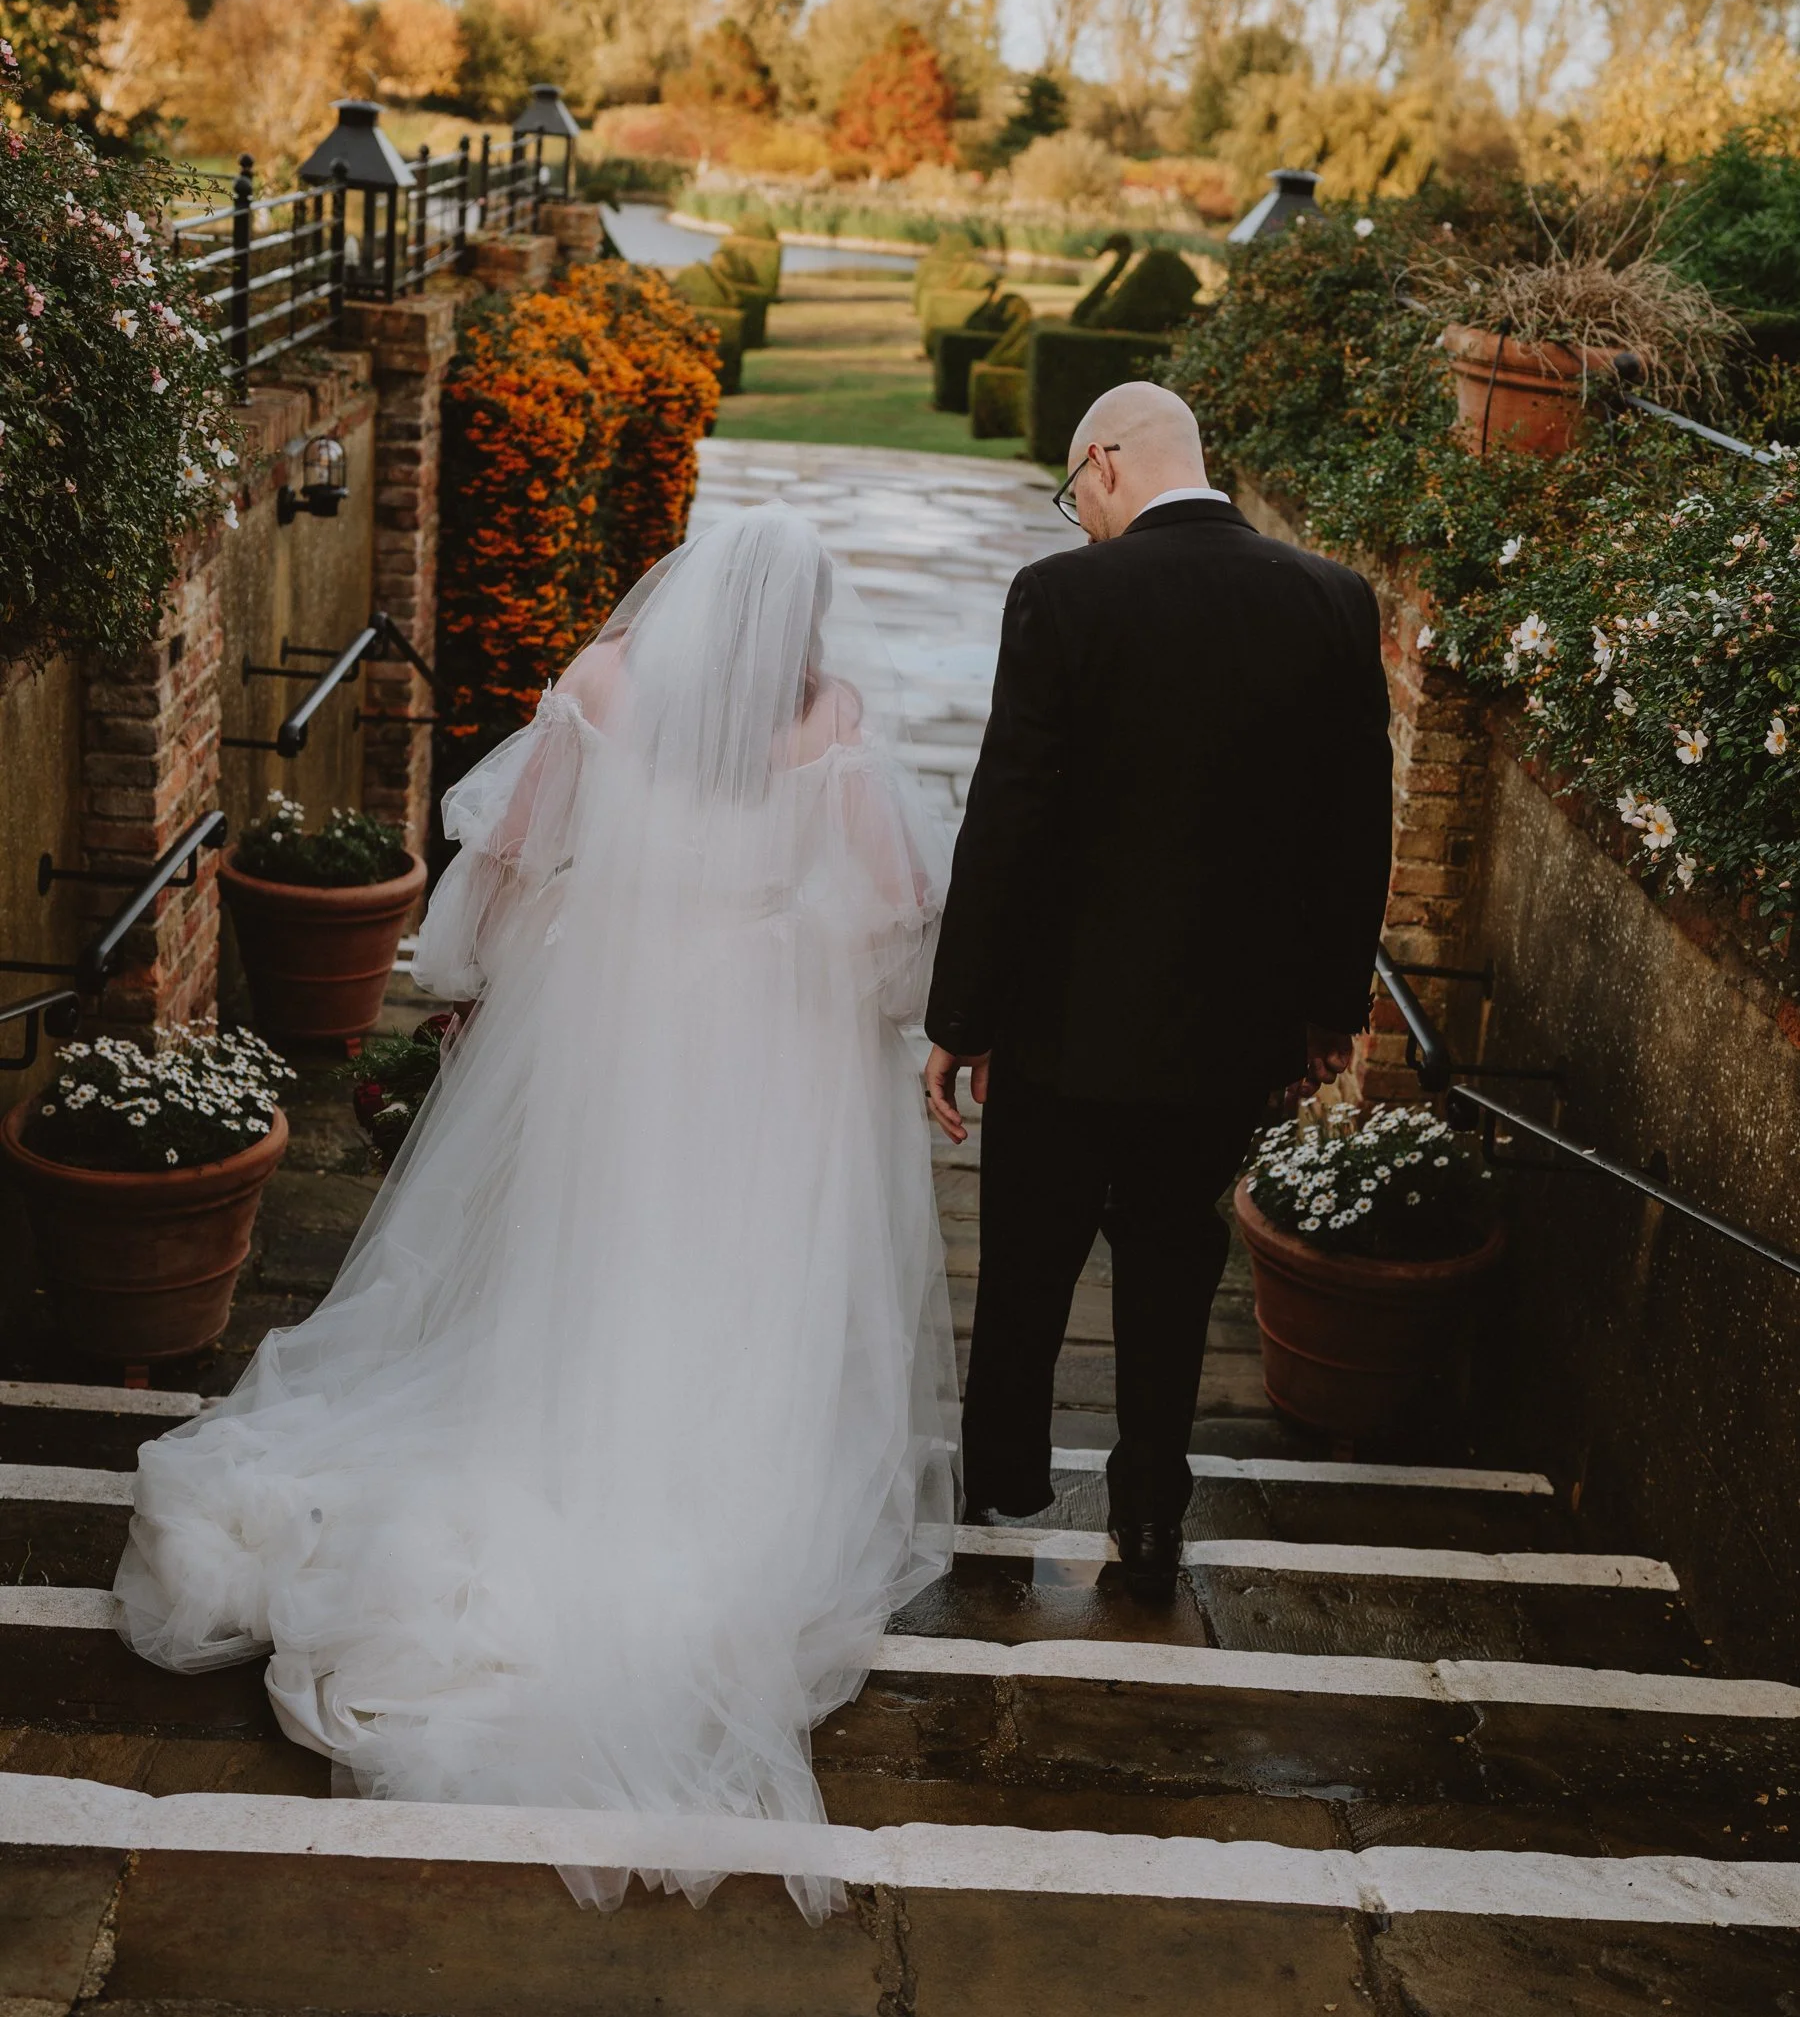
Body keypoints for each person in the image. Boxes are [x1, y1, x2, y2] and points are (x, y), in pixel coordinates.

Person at [114, 503, 957, 1922]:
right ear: (804, 614)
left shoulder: (609, 683)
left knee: (591, 1243)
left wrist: (486, 975)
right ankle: (697, 1453)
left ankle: (565, 1422)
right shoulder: (830, 719)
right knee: (731, 1264)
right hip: (757, 1041)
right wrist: (810, 953)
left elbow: (505, 850)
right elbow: (894, 900)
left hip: (614, 1020)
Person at [924, 381, 1393, 1600]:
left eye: (1073, 490)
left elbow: (1010, 815)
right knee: (1176, 1265)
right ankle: (1146, 1509)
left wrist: (958, 1018)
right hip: (1226, 1035)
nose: (1075, 514)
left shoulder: (1064, 596)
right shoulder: (1333, 602)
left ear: (1108, 463)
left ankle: (999, 1494)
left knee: (1028, 1263)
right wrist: (1330, 1014)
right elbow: (1357, 833)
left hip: (1065, 1027)